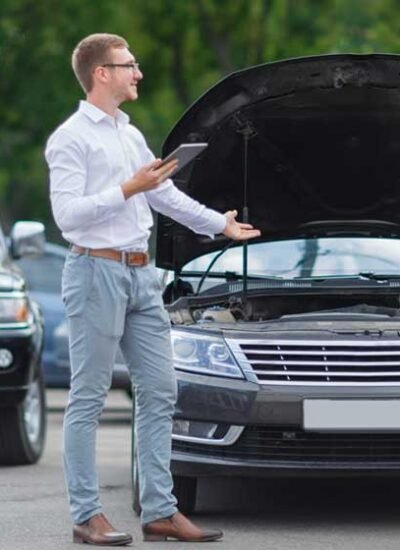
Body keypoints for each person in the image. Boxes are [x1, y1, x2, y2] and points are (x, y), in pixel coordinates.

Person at [45, 33, 260, 546]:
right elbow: (67, 217)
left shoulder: (128, 133)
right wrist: (128, 188)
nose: (137, 73)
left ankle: (161, 511)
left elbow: (163, 195)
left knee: (161, 392)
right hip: (95, 272)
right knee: (90, 398)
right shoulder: (70, 137)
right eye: (129, 65)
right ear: (102, 73)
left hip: (143, 276)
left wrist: (219, 224)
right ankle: (86, 515)